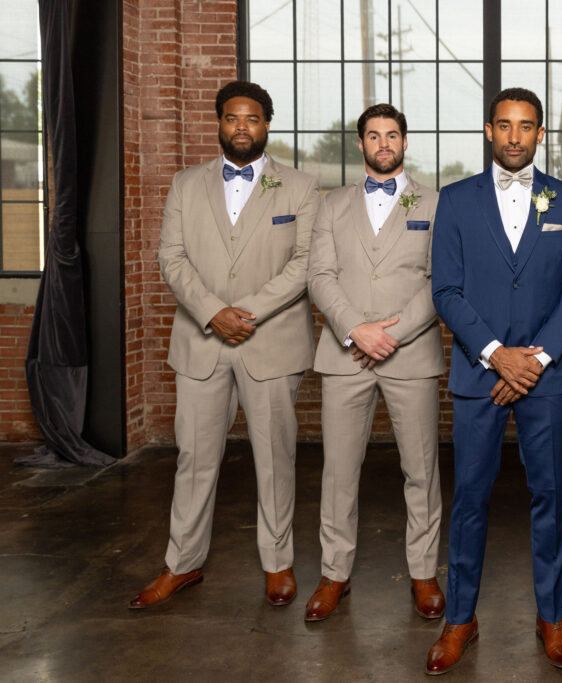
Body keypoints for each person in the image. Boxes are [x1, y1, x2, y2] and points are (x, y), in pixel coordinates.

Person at [130, 81, 319, 609]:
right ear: (219, 123)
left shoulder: (301, 187)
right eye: (233, 118)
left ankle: (278, 564)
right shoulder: (186, 184)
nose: (242, 127)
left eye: (252, 118)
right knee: (195, 457)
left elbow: (305, 264)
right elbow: (172, 258)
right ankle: (182, 564)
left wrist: (248, 312)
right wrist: (215, 312)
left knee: (276, 458)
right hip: (200, 339)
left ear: (266, 125)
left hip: (272, 341)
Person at [425, 87, 562, 674]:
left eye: (526, 126)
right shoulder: (455, 200)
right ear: (489, 132)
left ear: (541, 133)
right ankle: (461, 621)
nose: (515, 136)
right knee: (470, 500)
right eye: (504, 125)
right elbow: (445, 288)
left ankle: (552, 617)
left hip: (545, 381)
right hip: (480, 376)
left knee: (550, 498)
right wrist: (497, 355)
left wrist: (535, 359)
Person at [304, 103, 445, 622]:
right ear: (360, 144)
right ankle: (333, 574)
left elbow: (441, 280)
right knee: (339, 471)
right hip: (345, 354)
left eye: (392, 135)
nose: (383, 143)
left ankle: (424, 572)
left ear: (405, 143)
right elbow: (319, 275)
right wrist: (354, 330)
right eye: (373, 135)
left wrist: (394, 335)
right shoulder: (332, 205)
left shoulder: (436, 203)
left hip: (412, 353)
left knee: (421, 470)